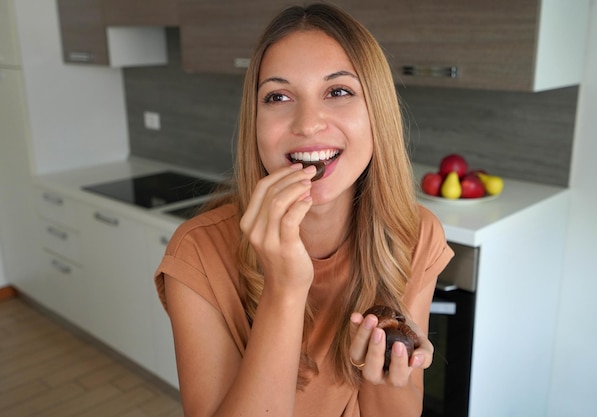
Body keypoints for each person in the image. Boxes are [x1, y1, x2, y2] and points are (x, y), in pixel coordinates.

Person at [155, 3, 453, 416]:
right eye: (278, 96)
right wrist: (285, 288)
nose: (308, 123)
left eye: (338, 91)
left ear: (376, 113)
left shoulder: (416, 234)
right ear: (254, 122)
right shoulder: (199, 253)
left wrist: (385, 372)